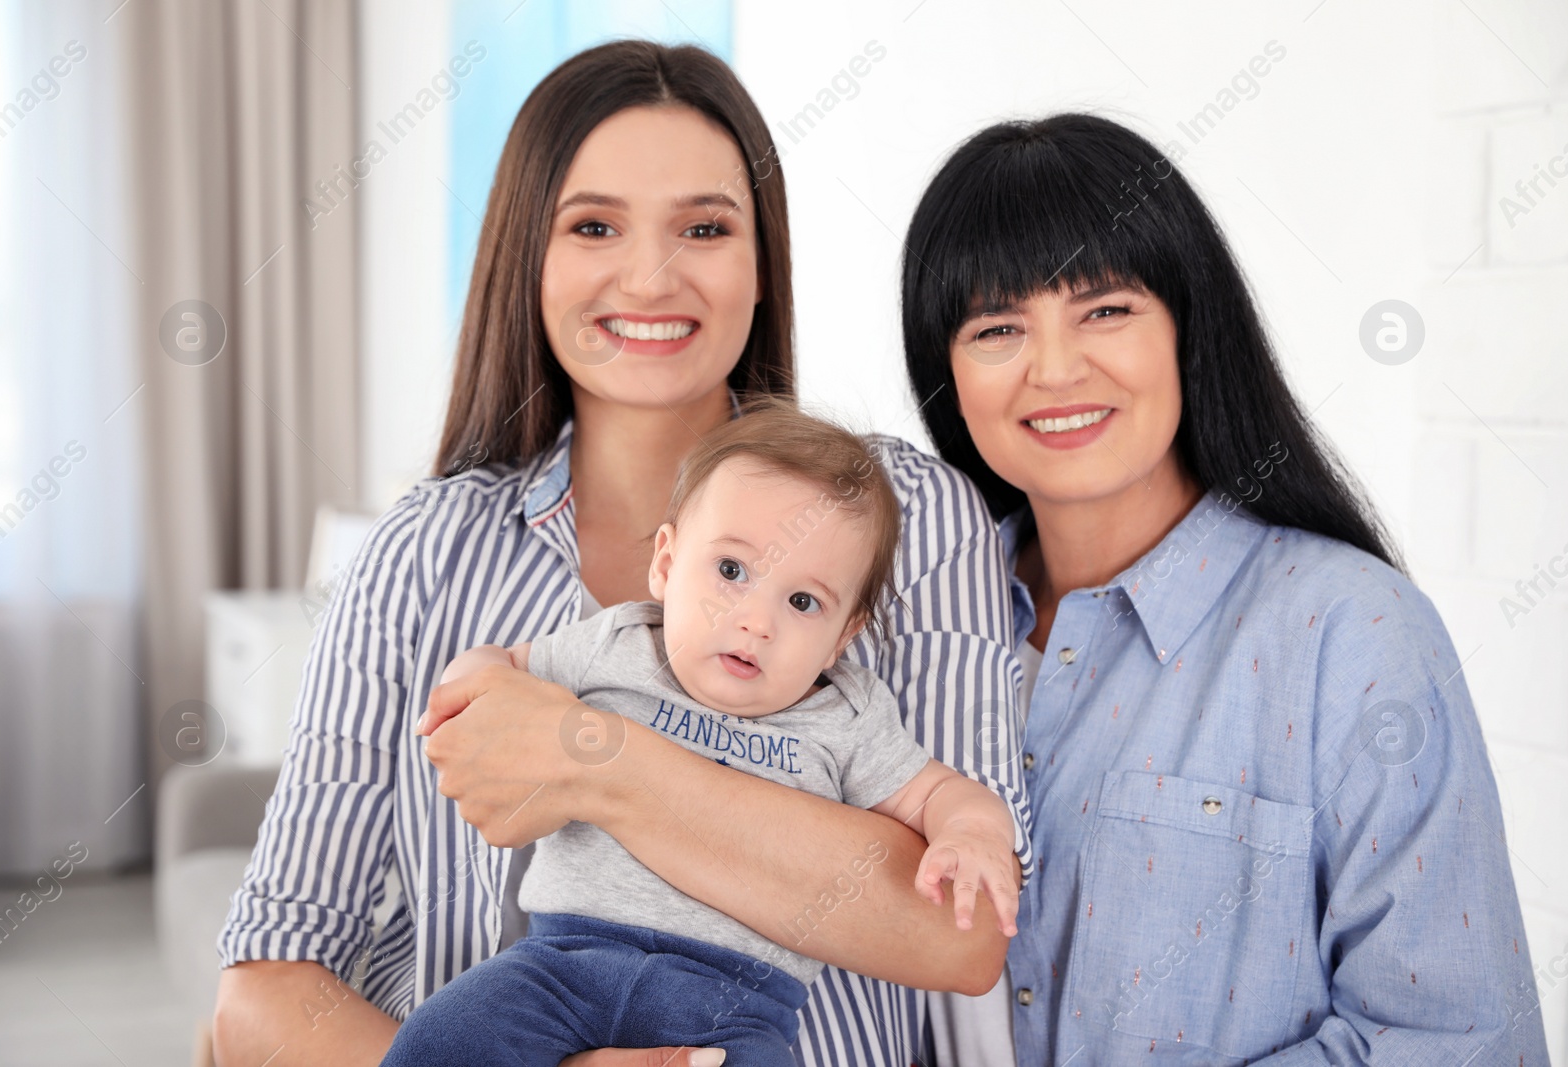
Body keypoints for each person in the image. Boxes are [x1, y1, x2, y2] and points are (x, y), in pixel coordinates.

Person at [213, 41, 1031, 1067]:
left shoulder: (906, 516)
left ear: (761, 256)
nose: (650, 274)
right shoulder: (422, 553)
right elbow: (260, 991)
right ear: (530, 254)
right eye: (593, 225)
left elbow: (956, 936)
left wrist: (590, 760)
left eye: (704, 226)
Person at [903, 112, 1552, 1065]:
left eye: (1106, 310)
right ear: (945, 374)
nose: (1053, 367)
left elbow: (1458, 1043)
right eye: (998, 327)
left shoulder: (1353, 634)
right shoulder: (899, 627)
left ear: (1188, 327)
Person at [381, 400, 1022, 1066]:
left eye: (803, 602)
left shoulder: (847, 715)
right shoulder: (619, 642)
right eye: (732, 571)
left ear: (845, 635)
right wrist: (471, 683)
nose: (755, 620)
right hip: (558, 967)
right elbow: (504, 670)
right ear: (666, 562)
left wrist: (972, 830)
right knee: (439, 1037)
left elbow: (937, 793)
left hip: (735, 1002)